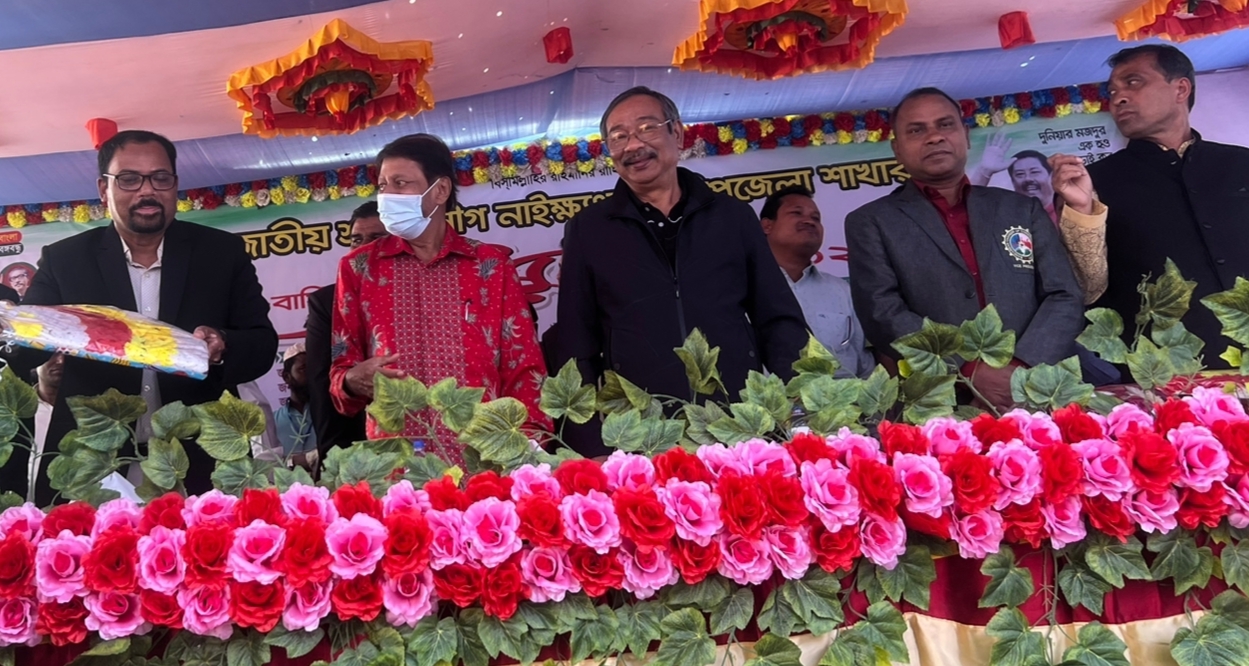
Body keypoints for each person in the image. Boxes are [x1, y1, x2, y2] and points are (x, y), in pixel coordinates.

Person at [15, 130, 278, 504]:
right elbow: (26, 349)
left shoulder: (220, 253)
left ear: (174, 185)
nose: (147, 191)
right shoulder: (66, 259)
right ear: (104, 189)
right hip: (93, 459)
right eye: (129, 179)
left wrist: (222, 345)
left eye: (160, 178)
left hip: (200, 459)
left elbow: (261, 344)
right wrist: (9, 328)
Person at [557, 86, 809, 456]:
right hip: (641, 436)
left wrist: (806, 407)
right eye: (618, 136)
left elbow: (778, 321)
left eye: (647, 128)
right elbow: (575, 345)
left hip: (737, 424)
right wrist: (591, 444)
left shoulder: (732, 217)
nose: (633, 145)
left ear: (677, 134)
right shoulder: (589, 230)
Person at [845, 88, 1085, 411]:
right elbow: (882, 313)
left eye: (945, 125)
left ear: (966, 136)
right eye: (916, 130)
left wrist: (1020, 368)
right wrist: (967, 370)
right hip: (941, 405)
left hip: (1039, 392)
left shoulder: (1021, 209)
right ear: (897, 149)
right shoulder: (871, 222)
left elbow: (1063, 294)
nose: (934, 137)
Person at [330, 133, 549, 466]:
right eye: (383, 185)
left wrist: (529, 450)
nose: (387, 196)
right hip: (399, 467)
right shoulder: (359, 268)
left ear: (441, 190)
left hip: (486, 461)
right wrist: (351, 381)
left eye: (400, 183)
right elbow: (340, 374)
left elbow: (525, 368)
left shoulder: (491, 266)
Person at [1078, 44, 1249, 368]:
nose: (1118, 98)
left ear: (1181, 89)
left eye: (1133, 82)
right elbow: (1088, 287)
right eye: (1112, 91)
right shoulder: (1094, 184)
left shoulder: (1241, 164)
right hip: (1163, 371)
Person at [760, 186, 873, 378]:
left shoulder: (842, 290)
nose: (809, 221)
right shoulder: (739, 289)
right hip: (766, 397)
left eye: (816, 218)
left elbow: (864, 365)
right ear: (767, 226)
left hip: (841, 396)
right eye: (796, 213)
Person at [305, 201, 385, 455]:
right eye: (356, 239)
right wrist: (334, 459)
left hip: (419, 435)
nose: (363, 248)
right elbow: (321, 384)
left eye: (376, 238)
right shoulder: (326, 302)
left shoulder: (417, 291)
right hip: (354, 445)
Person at [275, 343, 318, 471]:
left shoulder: (331, 415)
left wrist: (310, 458)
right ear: (287, 377)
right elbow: (267, 463)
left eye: (315, 368)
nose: (312, 375)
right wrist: (291, 462)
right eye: (303, 369)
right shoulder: (272, 421)